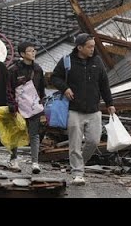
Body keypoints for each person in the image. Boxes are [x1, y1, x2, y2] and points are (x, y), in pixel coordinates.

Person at [50, 33, 115, 185]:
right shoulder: (67, 61)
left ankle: (79, 164)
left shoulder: (97, 62)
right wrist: (65, 88)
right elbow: (54, 77)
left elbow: (104, 84)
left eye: (93, 46)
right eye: (89, 46)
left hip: (94, 109)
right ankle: (77, 173)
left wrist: (110, 103)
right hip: (74, 109)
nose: (93, 49)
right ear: (79, 48)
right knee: (75, 143)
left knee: (93, 141)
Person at [6, 41, 46, 174]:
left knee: (34, 134)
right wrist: (11, 105)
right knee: (16, 133)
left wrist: (42, 103)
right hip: (18, 107)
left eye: (34, 50)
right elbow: (8, 89)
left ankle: (35, 162)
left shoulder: (38, 69)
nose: (33, 52)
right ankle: (13, 159)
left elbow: (41, 89)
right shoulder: (14, 70)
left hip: (34, 107)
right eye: (30, 50)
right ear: (22, 54)